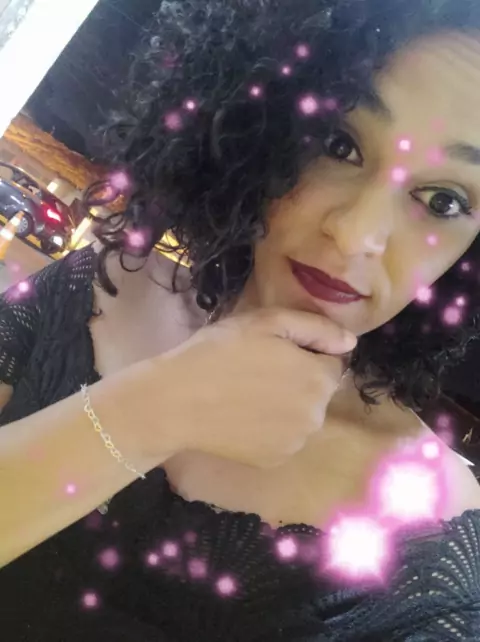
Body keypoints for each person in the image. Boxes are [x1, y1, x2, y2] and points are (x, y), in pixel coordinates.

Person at [2, 0, 480, 639]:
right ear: (263, 127)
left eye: (443, 201)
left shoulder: (438, 541)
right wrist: (151, 410)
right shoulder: (100, 289)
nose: (354, 234)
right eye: (339, 144)